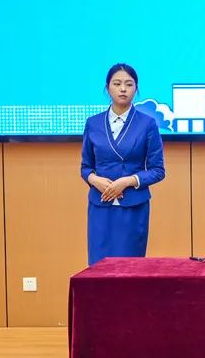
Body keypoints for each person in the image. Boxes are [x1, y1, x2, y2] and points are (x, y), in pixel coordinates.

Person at [80, 63, 166, 265]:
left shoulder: (147, 124)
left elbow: (158, 170)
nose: (123, 89)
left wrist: (128, 181)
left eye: (129, 84)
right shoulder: (93, 123)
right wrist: (94, 180)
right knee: (99, 267)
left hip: (133, 207)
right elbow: (85, 167)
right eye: (117, 83)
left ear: (136, 88)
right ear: (107, 87)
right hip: (101, 205)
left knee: (129, 268)